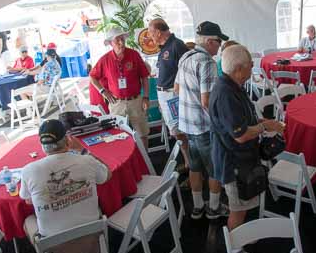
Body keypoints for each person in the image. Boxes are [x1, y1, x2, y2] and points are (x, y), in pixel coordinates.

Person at [210, 45, 285, 253]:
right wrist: (265, 127)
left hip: (239, 158)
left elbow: (244, 120)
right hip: (233, 161)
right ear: (239, 69)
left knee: (242, 205)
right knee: (238, 209)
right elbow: (241, 134)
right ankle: (234, 251)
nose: (253, 67)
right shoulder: (226, 93)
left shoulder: (233, 85)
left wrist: (264, 121)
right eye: (250, 65)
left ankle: (240, 236)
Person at [20, 119, 112, 253]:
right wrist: (83, 150)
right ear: (68, 140)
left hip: (56, 249)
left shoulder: (28, 170)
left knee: (28, 221)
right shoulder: (86, 160)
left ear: (42, 145)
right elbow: (107, 174)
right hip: (92, 238)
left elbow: (27, 200)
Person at [174, 21, 229, 220]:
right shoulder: (207, 62)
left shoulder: (185, 56)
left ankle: (197, 207)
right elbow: (208, 101)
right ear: (208, 41)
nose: (219, 46)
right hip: (204, 126)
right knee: (215, 168)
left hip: (187, 124)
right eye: (218, 41)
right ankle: (214, 208)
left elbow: (177, 89)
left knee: (195, 166)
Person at [90, 28, 150, 149]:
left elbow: (144, 77)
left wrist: (146, 97)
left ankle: (146, 161)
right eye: (117, 40)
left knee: (142, 134)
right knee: (119, 135)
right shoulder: (105, 59)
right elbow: (92, 76)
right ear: (111, 43)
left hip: (135, 101)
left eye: (122, 39)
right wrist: (103, 91)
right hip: (116, 103)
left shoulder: (134, 55)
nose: (121, 43)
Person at [148, 18, 190, 169]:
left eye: (151, 33)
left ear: (159, 32)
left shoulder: (176, 45)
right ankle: (188, 161)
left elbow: (187, 71)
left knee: (180, 131)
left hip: (173, 96)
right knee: (176, 131)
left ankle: (190, 163)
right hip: (165, 96)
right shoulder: (165, 47)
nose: (151, 37)